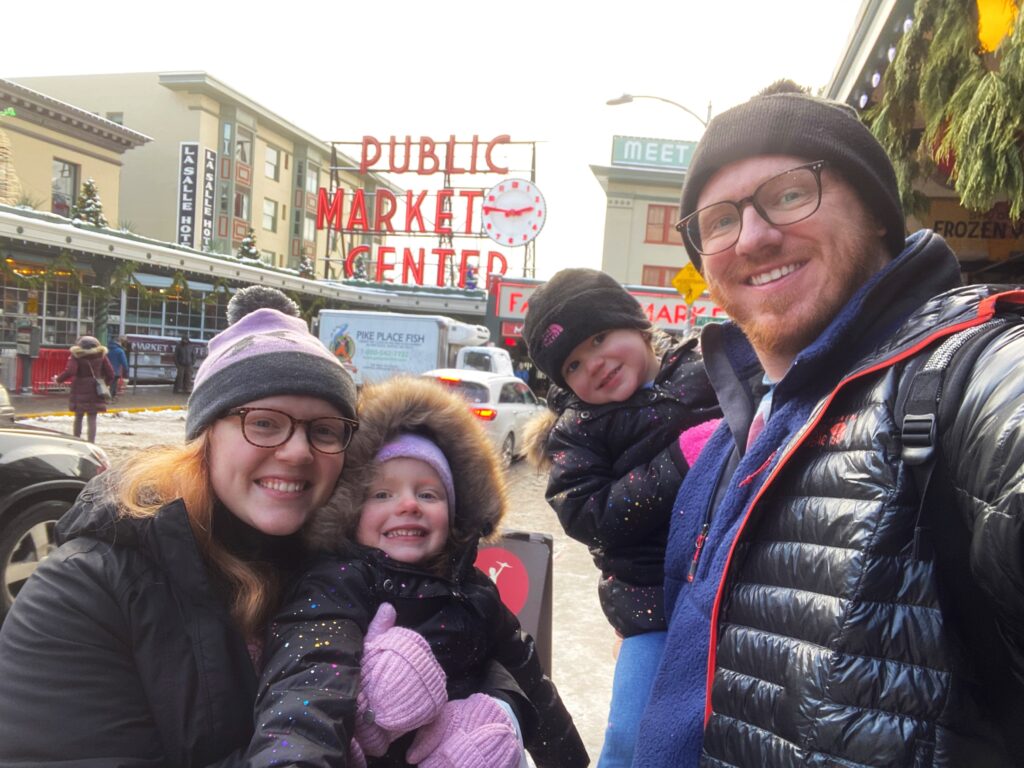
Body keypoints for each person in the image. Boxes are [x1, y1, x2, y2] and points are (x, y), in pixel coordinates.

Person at [634, 91, 1024, 767]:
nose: (752, 237)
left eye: (788, 195)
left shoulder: (964, 372)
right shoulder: (735, 430)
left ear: (876, 214)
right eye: (720, 220)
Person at [0, 286, 359, 766]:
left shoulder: (367, 571)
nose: (298, 451)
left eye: (324, 430)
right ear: (205, 438)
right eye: (265, 423)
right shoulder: (83, 591)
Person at [250, 375, 589, 767]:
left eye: (428, 493)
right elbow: (308, 684)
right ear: (350, 512)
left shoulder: (476, 591)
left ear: (456, 511)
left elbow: (530, 678)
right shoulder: (340, 582)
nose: (409, 505)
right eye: (382, 494)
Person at [521, 268, 721, 768]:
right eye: (572, 365)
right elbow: (588, 513)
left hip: (735, 585)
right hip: (651, 605)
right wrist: (680, 460)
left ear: (637, 324)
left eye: (599, 337)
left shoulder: (708, 368)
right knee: (633, 734)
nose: (595, 364)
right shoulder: (578, 430)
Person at [53, 334, 115, 442]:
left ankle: (77, 440)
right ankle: (91, 442)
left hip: (79, 388)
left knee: (78, 416)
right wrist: (104, 384)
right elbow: (111, 374)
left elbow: (70, 371)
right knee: (92, 417)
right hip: (95, 389)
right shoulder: (101, 356)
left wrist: (58, 379)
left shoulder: (76, 355)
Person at [106, 332, 130, 398]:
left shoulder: (107, 349)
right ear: (120, 342)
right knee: (113, 384)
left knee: (108, 384)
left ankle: (108, 396)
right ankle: (111, 397)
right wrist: (126, 371)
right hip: (115, 371)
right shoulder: (120, 351)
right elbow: (124, 362)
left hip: (106, 370)